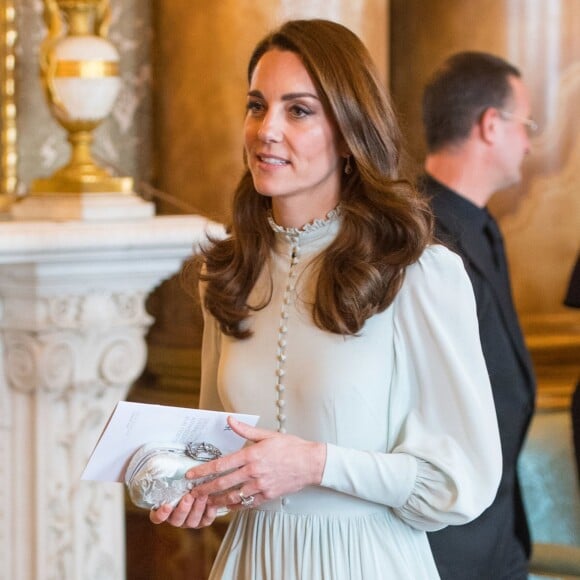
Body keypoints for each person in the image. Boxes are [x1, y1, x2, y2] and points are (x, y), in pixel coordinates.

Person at [150, 20, 502, 579]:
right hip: (250, 561)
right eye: (257, 105)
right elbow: (217, 449)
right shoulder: (227, 273)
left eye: (299, 110)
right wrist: (202, 491)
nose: (267, 130)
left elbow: (461, 483)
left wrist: (316, 463)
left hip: (367, 563)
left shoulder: (420, 273)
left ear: (349, 132)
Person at [420, 51, 537, 579]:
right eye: (525, 125)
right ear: (491, 125)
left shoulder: (483, 225)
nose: (529, 143)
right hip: (446, 542)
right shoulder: (420, 234)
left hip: (498, 530)